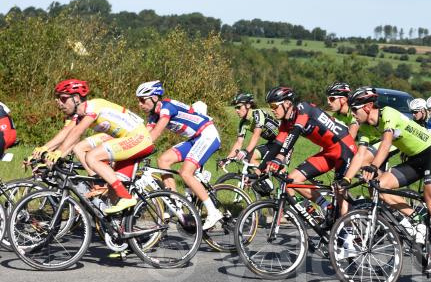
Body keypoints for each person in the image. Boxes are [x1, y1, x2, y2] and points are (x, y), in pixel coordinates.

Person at [346, 87, 431, 272]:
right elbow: (360, 156)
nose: (353, 115)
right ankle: (417, 219)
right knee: (381, 186)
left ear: (368, 106)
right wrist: (346, 179)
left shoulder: (389, 114)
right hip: (413, 159)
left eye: (355, 110)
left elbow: (386, 144)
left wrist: (374, 166)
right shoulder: (367, 128)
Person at [32, 79, 154, 214]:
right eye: (58, 99)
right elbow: (67, 133)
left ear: (76, 98)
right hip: (124, 138)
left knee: (92, 156)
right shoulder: (79, 115)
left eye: (63, 98)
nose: (60, 103)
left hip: (139, 138)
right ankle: (118, 227)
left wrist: (58, 152)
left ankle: (123, 195)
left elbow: (78, 131)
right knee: (112, 191)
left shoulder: (92, 107)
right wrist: (45, 150)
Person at [135, 81, 223, 230]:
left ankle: (213, 212)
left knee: (185, 172)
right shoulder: (153, 115)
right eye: (138, 100)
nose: (139, 104)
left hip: (207, 134)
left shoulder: (167, 108)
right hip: (195, 139)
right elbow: (144, 135)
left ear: (155, 98)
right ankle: (174, 202)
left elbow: (156, 133)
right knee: (163, 160)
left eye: (143, 100)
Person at [263, 87, 357, 209]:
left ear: (287, 104)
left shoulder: (303, 108)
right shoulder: (286, 122)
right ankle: (327, 207)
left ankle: (347, 227)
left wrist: (279, 158)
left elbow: (296, 132)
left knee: (340, 191)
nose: (272, 110)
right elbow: (276, 146)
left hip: (344, 149)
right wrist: (259, 171)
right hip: (328, 152)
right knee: (292, 180)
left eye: (274, 106)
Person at [225, 92, 278, 165]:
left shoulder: (257, 114)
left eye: (239, 107)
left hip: (284, 142)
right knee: (249, 158)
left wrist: (246, 151)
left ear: (248, 105)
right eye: (235, 108)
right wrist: (227, 159)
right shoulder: (243, 123)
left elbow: (256, 135)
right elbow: (239, 143)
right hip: (272, 143)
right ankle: (262, 175)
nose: (236, 110)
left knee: (282, 171)